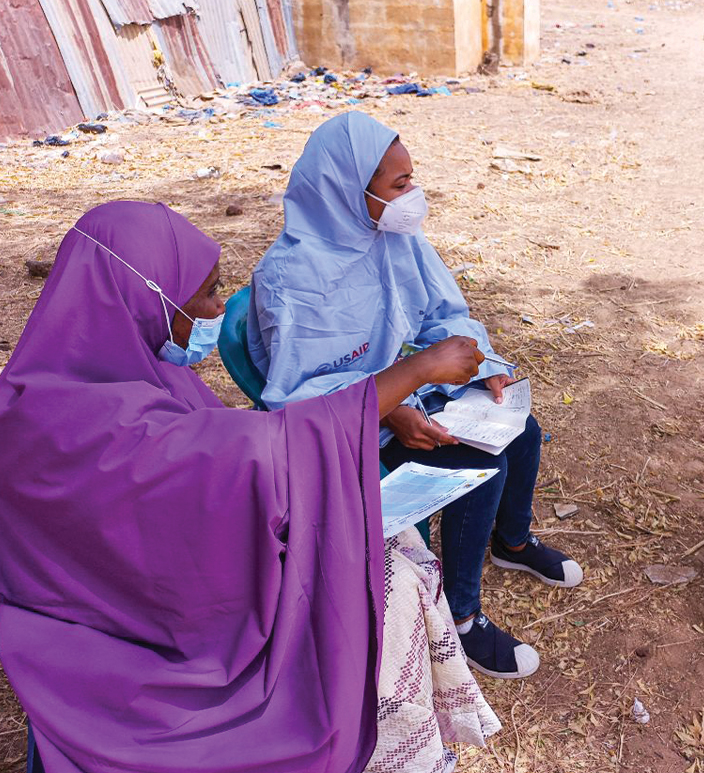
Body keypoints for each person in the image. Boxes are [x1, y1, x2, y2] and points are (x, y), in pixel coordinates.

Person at [0, 201, 499, 773]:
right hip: (151, 638)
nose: (219, 307)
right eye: (208, 294)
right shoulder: (101, 420)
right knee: (384, 589)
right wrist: (413, 373)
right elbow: (260, 454)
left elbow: (213, 466)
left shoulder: (86, 376)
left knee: (398, 546)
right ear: (144, 297)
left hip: (133, 586)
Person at [248, 111, 583, 680]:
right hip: (346, 425)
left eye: (411, 179)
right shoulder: (291, 281)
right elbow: (299, 402)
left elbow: (444, 315)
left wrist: (484, 367)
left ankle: (513, 541)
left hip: (404, 393)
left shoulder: (391, 235)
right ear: (347, 192)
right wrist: (396, 408)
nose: (414, 196)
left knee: (520, 430)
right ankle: (461, 614)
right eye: (399, 185)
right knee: (480, 467)